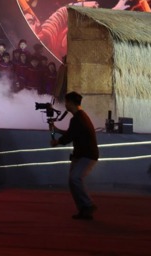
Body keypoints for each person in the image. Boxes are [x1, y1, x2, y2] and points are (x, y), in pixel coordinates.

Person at [50, 91, 99, 220]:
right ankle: (84, 209)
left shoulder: (77, 119)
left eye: (66, 102)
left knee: (75, 179)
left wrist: (57, 142)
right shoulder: (80, 117)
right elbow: (72, 133)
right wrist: (56, 130)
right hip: (82, 154)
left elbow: (69, 136)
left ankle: (88, 205)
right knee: (73, 181)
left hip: (86, 155)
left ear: (70, 103)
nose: (65, 105)